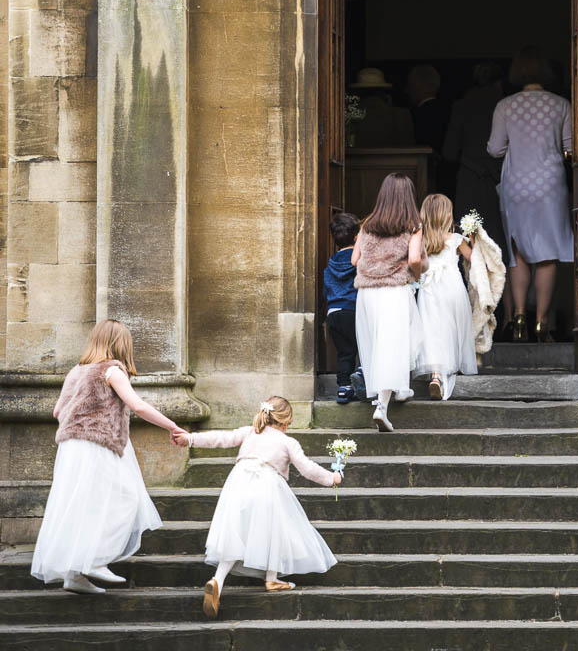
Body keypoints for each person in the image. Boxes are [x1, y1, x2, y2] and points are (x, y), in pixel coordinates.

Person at [31, 318, 188, 594]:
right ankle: (96, 559)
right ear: (120, 345)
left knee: (83, 504)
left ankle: (75, 576)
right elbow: (137, 405)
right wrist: (173, 426)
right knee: (127, 498)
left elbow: (58, 412)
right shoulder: (112, 370)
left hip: (71, 447)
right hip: (97, 443)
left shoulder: (76, 371)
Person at [173, 395, 340, 619]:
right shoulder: (288, 442)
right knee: (275, 530)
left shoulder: (250, 432)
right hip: (267, 485)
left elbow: (221, 438)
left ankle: (218, 581)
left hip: (238, 482)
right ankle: (271, 578)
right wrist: (332, 478)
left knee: (236, 534)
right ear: (285, 421)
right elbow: (307, 468)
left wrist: (190, 439)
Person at [487, 46, 573, 343]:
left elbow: (495, 149)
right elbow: (570, 148)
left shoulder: (505, 106)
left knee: (518, 252)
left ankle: (519, 315)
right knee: (548, 254)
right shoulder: (561, 105)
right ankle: (541, 322)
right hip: (550, 184)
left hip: (516, 185)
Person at [353, 172, 426, 432]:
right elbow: (416, 259)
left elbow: (354, 260)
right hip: (393, 290)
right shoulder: (413, 225)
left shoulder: (367, 224)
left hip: (367, 292)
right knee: (392, 345)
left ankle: (398, 389)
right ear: (408, 197)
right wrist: (415, 276)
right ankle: (381, 407)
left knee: (376, 344)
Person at [442, 62, 510, 330]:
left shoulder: (461, 106)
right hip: (499, 181)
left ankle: (469, 317)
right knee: (499, 247)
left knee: (466, 246)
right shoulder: (504, 104)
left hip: (470, 182)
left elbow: (449, 151)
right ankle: (503, 314)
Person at [414, 194, 478, 400]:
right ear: (448, 215)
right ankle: (448, 368)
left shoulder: (420, 239)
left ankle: (436, 374)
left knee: (432, 331)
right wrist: (475, 240)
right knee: (451, 329)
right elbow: (473, 258)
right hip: (452, 288)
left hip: (429, 289)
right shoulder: (456, 239)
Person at [323, 211, 360, 404]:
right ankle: (363, 381)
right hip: (352, 309)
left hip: (334, 312)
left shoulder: (330, 265)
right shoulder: (356, 261)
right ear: (356, 236)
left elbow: (326, 290)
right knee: (361, 349)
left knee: (344, 352)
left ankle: (344, 387)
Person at [349, 67, 414, 147]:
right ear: (383, 90)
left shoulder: (345, 117)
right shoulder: (401, 115)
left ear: (357, 92)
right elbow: (409, 148)